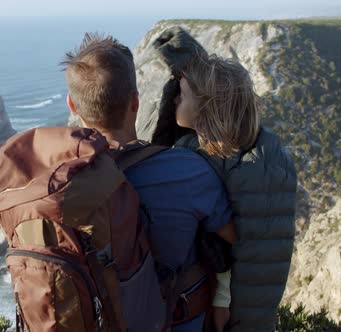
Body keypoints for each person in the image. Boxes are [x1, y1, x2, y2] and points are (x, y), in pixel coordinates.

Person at [62, 32, 236, 332]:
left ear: (72, 105)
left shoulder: (55, 178)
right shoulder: (189, 171)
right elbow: (237, 237)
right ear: (135, 102)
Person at [170, 52, 298, 331]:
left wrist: (222, 299)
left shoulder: (221, 167)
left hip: (231, 309)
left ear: (207, 108)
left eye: (181, 93)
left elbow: (244, 247)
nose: (174, 99)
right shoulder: (244, 153)